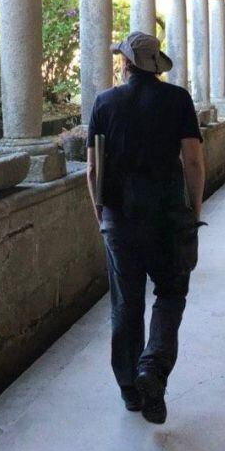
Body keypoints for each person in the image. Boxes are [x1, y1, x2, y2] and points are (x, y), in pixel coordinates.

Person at [86, 31, 206, 425]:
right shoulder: (177, 99)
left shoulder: (105, 102)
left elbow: (92, 169)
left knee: (127, 303)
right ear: (155, 65)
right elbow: (192, 161)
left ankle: (130, 391)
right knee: (171, 295)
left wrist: (102, 215)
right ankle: (153, 370)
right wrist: (194, 209)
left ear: (125, 63)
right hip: (169, 216)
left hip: (121, 218)